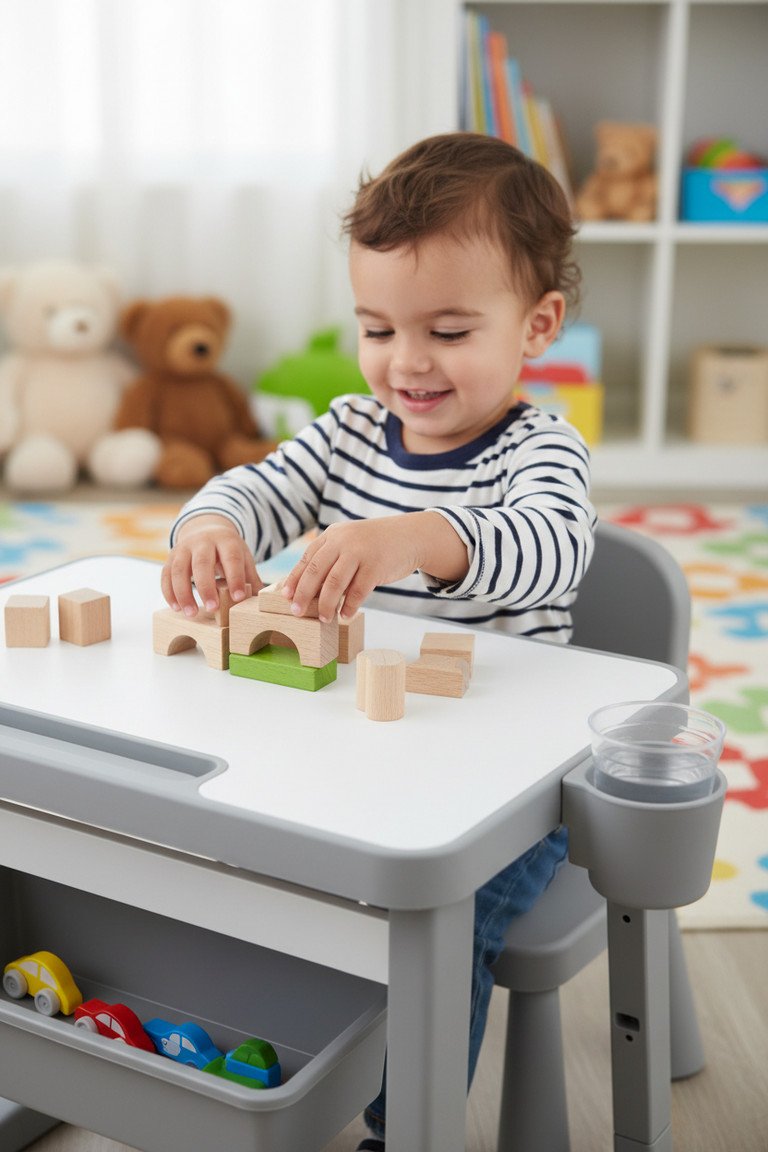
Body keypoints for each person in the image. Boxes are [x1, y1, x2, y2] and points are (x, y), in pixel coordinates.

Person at [162, 131, 596, 1151]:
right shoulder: (347, 430)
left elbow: (553, 554)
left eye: (448, 330)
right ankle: (264, 1064)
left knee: (450, 923)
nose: (406, 362)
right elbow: (254, 488)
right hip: (353, 756)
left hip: (503, 786)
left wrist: (421, 538)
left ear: (537, 326)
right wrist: (212, 529)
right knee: (236, 859)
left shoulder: (542, 449)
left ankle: (408, 1129)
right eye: (376, 327)